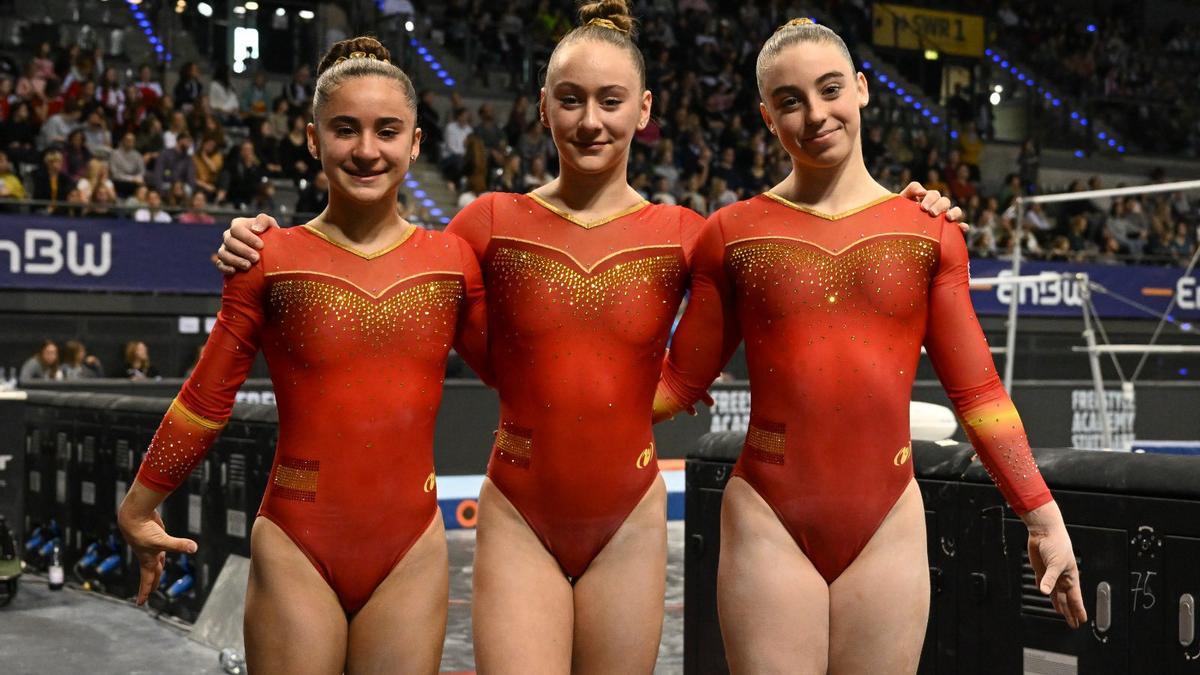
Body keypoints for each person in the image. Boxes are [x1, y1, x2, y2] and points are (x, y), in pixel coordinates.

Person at [216, 6, 963, 673]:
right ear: (543, 109)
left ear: (644, 111)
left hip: (628, 515)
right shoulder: (484, 224)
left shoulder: (686, 235)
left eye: (610, 101)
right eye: (569, 101)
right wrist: (265, 240)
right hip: (516, 508)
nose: (589, 121)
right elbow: (388, 267)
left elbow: (721, 342)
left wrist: (911, 205)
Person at [653, 19, 1087, 673]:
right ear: (768, 117)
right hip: (769, 516)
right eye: (790, 101)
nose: (815, 113)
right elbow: (676, 386)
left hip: (888, 521)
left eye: (829, 89)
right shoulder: (732, 234)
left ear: (860, 89)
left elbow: (980, 394)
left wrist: (1042, 515)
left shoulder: (929, 231)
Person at [118, 37, 488, 673]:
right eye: (345, 130)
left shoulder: (452, 261)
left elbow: (525, 374)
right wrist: (138, 506)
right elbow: (208, 395)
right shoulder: (267, 257)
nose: (366, 150)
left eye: (387, 131)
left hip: (412, 552)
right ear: (313, 140)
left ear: (416, 144)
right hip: (298, 545)